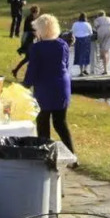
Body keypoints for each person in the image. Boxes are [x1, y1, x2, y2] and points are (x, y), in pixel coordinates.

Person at [22, 14, 74, 153]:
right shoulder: (63, 44)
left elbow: (33, 69)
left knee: (43, 121)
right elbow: (66, 64)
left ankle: (45, 153)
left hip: (45, 87)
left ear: (40, 30)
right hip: (62, 85)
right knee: (60, 122)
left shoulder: (37, 48)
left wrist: (25, 84)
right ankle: (72, 154)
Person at [10, 4, 39, 78]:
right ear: (35, 12)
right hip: (29, 39)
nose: (37, 14)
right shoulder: (31, 19)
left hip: (28, 38)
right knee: (30, 58)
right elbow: (31, 30)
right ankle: (27, 75)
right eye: (37, 13)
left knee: (28, 58)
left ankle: (16, 70)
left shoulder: (30, 18)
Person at [91, 10, 110, 75]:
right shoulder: (109, 18)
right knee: (107, 50)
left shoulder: (97, 19)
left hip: (101, 32)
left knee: (102, 49)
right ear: (104, 14)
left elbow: (96, 27)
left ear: (98, 15)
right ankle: (106, 68)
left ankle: (105, 69)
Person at [70, 12, 94, 76]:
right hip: (86, 39)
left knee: (79, 54)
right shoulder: (87, 24)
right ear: (85, 18)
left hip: (77, 40)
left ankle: (81, 71)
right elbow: (91, 33)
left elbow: (72, 32)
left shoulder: (75, 24)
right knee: (86, 54)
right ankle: (85, 70)